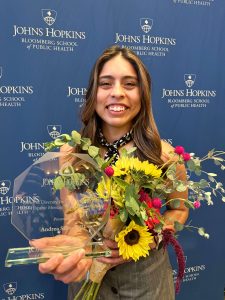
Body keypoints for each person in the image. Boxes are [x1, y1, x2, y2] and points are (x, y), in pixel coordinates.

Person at [30, 45, 189, 300]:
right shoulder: (70, 153)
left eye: (129, 84)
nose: (117, 93)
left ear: (143, 94)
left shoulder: (166, 156)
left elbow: (179, 209)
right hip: (89, 283)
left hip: (148, 285)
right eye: (106, 84)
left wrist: (152, 237)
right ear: (94, 93)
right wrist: (76, 244)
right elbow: (73, 220)